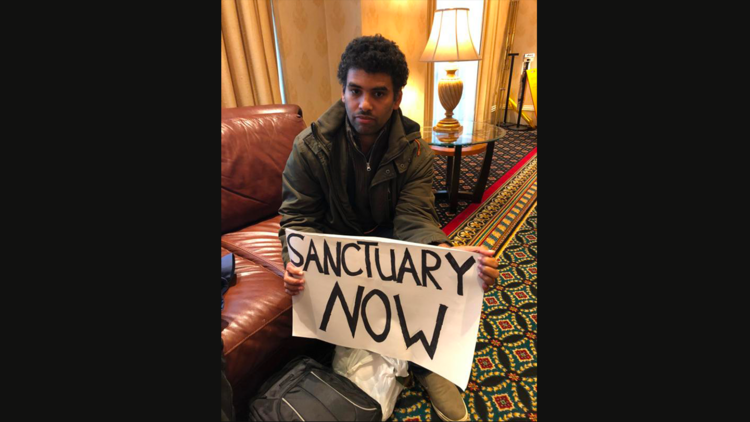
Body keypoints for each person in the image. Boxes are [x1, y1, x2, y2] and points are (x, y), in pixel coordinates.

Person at [277, 34, 499, 422]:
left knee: (426, 267)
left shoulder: (416, 152)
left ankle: (427, 361)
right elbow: (298, 219)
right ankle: (398, 355)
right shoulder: (309, 148)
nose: (364, 104)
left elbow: (415, 219)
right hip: (342, 264)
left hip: (395, 248)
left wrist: (452, 264)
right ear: (343, 90)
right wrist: (295, 262)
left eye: (378, 93)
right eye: (355, 90)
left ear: (397, 98)